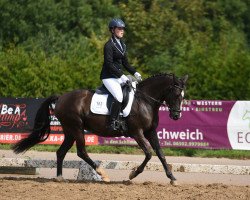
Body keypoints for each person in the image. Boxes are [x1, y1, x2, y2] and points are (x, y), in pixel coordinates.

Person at [100, 18, 142, 131]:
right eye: (119, 29)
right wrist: (122, 76)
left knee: (132, 90)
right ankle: (112, 122)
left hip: (117, 76)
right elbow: (108, 64)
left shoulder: (122, 45)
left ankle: (124, 118)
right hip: (108, 77)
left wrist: (135, 72)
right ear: (113, 30)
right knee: (118, 96)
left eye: (123, 29)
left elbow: (125, 63)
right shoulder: (108, 45)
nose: (122, 31)